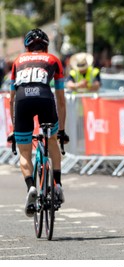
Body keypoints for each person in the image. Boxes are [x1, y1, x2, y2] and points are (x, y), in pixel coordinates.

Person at [8, 28, 69, 217]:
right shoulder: (53, 60)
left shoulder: (17, 61)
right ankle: (57, 185)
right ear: (46, 46)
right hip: (45, 98)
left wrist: (14, 128)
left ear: (27, 47)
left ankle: (31, 187)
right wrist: (62, 131)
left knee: (25, 152)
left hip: (22, 100)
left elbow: (11, 99)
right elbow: (60, 98)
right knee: (51, 142)